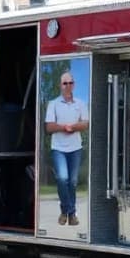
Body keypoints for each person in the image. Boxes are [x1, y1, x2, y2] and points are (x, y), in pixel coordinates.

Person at [45, 71, 87, 226]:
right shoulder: (53, 104)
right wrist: (64, 127)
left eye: (70, 83)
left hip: (76, 148)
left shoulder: (80, 104)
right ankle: (70, 212)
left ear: (74, 85)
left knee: (73, 182)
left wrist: (73, 127)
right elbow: (49, 127)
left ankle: (67, 213)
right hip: (58, 149)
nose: (68, 86)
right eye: (65, 83)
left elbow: (85, 124)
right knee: (62, 179)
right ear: (60, 86)